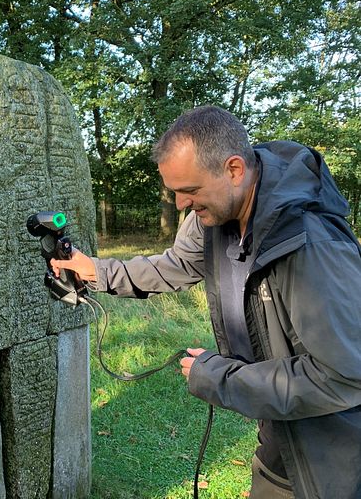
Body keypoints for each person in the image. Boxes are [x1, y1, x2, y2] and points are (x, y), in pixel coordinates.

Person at [52, 106, 361, 498]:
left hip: (335, 461)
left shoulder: (311, 244)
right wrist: (94, 270)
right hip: (278, 440)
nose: (181, 204)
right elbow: (176, 265)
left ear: (233, 169)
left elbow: (344, 377)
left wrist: (220, 378)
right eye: (175, 191)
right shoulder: (215, 216)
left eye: (191, 190)